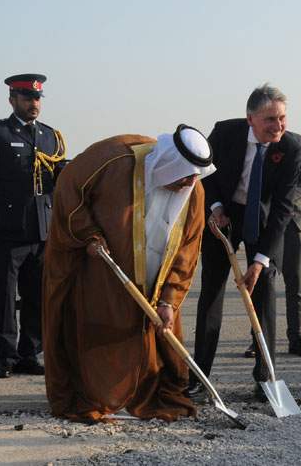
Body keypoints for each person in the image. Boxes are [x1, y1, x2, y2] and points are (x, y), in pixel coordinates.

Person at [42, 126, 214, 422]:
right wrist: (89, 234)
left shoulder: (193, 190)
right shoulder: (113, 159)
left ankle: (147, 392)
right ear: (169, 165)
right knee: (99, 329)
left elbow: (187, 251)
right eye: (186, 175)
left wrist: (169, 301)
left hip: (154, 281)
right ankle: (97, 395)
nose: (190, 181)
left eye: (195, 176)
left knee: (156, 337)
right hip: (102, 270)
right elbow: (69, 188)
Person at [188, 84, 301, 400]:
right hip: (223, 215)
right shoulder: (224, 133)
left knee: (265, 289)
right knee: (211, 291)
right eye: (270, 119)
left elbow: (283, 207)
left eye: (282, 118)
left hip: (262, 221)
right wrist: (214, 208)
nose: (278, 126)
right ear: (250, 118)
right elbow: (204, 173)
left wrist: (260, 260)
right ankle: (199, 376)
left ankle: (265, 378)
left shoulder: (291, 148)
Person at [0, 73, 66, 378]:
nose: (33, 103)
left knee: (37, 296)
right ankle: (6, 355)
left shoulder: (51, 137)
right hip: (6, 231)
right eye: (27, 98)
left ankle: (29, 353)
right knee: (2, 296)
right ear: (12, 100)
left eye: (37, 98)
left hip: (42, 231)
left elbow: (56, 185)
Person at [244, 132, 301, 358]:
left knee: (295, 282)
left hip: (293, 222)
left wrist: (285, 196)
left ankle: (296, 337)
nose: (275, 123)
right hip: (266, 222)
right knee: (264, 281)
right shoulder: (256, 145)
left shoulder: (296, 143)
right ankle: (258, 340)